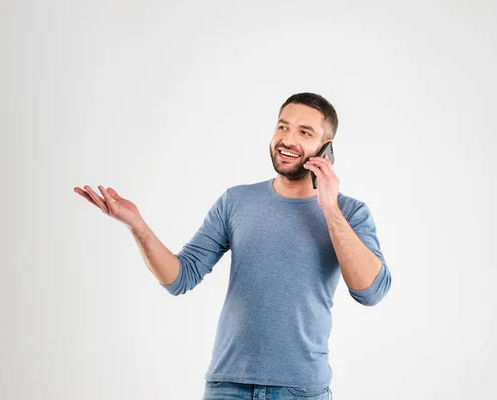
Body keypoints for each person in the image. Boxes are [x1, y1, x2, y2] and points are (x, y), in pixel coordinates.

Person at [74, 92, 392, 399]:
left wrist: (329, 207)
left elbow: (371, 292)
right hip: (226, 386)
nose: (287, 139)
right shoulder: (236, 202)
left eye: (304, 132)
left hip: (301, 391)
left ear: (326, 148)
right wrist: (137, 225)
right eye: (282, 126)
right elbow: (180, 278)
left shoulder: (350, 212)